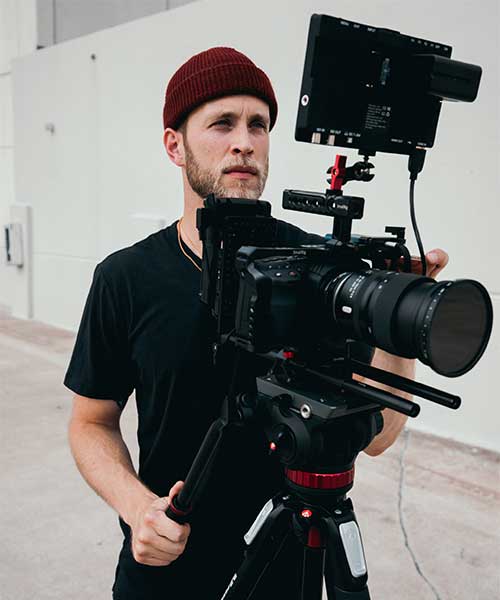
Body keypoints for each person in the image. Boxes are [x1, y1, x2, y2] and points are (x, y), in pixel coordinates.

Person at [65, 47, 449, 599]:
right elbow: (90, 422)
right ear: (175, 145)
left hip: (287, 568)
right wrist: (136, 507)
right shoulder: (125, 277)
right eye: (222, 123)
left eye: (258, 125)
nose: (244, 141)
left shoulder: (322, 271)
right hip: (168, 566)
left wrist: (399, 316)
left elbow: (379, 438)